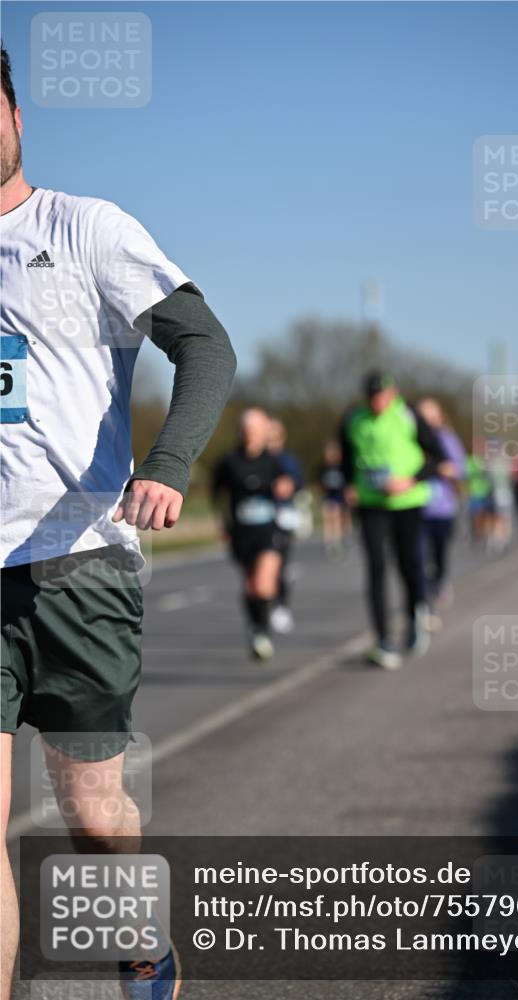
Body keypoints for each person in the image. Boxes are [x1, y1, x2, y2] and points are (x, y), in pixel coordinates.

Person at [0, 46, 236, 1000]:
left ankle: (143, 942)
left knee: (92, 815)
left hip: (78, 565)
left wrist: (170, 464)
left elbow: (205, 346)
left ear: (15, 115)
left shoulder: (83, 227)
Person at [340, 372, 445, 669]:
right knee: (375, 566)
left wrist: (410, 480)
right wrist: (347, 484)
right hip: (371, 503)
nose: (377, 403)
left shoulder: (408, 415)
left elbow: (435, 456)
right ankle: (383, 638)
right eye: (372, 397)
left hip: (407, 502)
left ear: (392, 392)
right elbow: (346, 458)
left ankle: (415, 616)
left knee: (408, 563)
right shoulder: (353, 419)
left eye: (382, 396)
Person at [211, 409, 295, 660]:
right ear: (240, 432)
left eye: (256, 432)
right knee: (250, 587)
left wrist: (286, 487)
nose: (251, 437)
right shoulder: (229, 462)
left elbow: (291, 484)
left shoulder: (274, 461)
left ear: (264, 434)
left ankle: (263, 633)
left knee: (263, 584)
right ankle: (255, 627)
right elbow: (218, 497)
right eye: (247, 432)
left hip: (268, 530)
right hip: (241, 532)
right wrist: (224, 526)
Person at [415, 398, 466, 623]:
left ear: (439, 415)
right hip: (417, 506)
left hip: (443, 507)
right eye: (422, 414)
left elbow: (459, 469)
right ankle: (426, 606)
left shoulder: (448, 439)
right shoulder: (412, 439)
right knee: (420, 557)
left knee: (439, 554)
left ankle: (441, 581)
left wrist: (447, 470)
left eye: (430, 414)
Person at [266, 418, 304, 634]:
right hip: (261, 519)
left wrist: (289, 485)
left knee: (280, 564)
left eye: (274, 434)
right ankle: (267, 604)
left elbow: (299, 482)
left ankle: (281, 605)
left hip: (284, 516)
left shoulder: (288, 459)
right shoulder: (257, 458)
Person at [317, 440, 350, 557]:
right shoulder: (324, 467)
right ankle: (330, 541)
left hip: (340, 497)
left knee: (339, 520)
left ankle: (338, 540)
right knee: (329, 518)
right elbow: (320, 482)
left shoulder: (341, 467)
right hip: (329, 496)